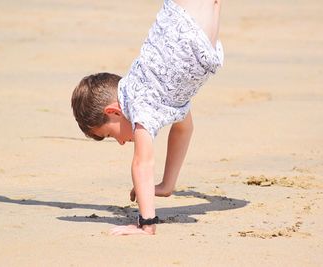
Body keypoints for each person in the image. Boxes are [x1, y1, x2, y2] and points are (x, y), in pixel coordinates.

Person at [71, 0, 223, 235]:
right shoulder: (157, 99)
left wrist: (146, 224)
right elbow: (184, 128)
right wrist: (167, 185)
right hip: (194, 33)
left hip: (183, 22)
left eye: (111, 135)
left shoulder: (138, 103)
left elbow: (142, 163)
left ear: (113, 111)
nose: (121, 142)